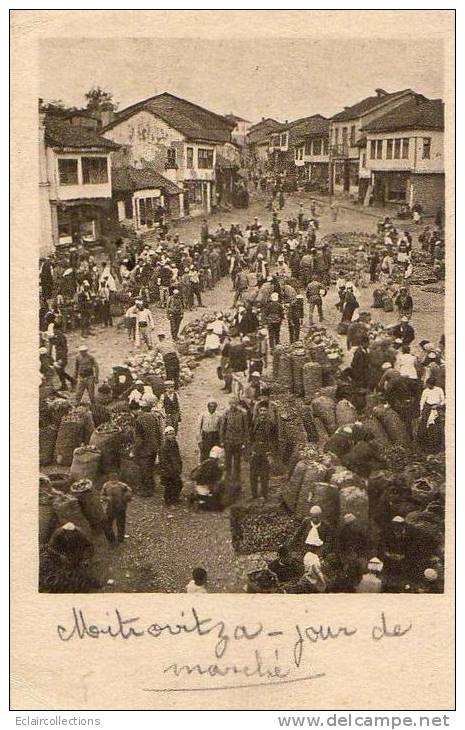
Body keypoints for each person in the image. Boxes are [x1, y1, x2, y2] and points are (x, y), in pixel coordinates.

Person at [133, 401, 163, 496]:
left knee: (144, 468)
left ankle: (147, 490)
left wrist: (134, 450)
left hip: (145, 449)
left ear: (141, 408)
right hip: (154, 447)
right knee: (150, 467)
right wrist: (159, 445)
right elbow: (159, 432)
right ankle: (152, 486)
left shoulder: (139, 419)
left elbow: (139, 439)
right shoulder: (154, 417)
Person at [220, 397, 249, 483]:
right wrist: (222, 440)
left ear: (238, 404)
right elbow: (222, 427)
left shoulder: (243, 414)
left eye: (235, 404)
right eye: (232, 403)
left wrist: (244, 441)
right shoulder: (226, 413)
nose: (233, 405)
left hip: (238, 441)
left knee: (237, 461)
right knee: (228, 461)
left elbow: (246, 429)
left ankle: (236, 479)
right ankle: (227, 478)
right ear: (229, 404)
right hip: (228, 441)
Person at [249, 402, 274, 499]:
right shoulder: (255, 422)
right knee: (253, 474)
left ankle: (264, 495)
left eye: (265, 410)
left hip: (265, 451)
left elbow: (272, 439)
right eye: (261, 410)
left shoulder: (271, 424)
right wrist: (251, 450)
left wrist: (270, 453)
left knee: (264, 474)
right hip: (255, 450)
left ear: (267, 412)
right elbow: (250, 436)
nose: (263, 412)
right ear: (258, 411)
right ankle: (254, 494)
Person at [190, 445, 225, 511]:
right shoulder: (214, 465)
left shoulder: (206, 461)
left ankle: (198, 498)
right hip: (206, 487)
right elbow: (215, 479)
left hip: (200, 486)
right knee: (215, 504)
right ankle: (200, 502)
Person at [101, 472, 132, 543]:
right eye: (112, 481)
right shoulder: (105, 486)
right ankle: (111, 539)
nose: (114, 483)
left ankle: (120, 539)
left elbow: (129, 491)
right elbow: (102, 496)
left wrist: (127, 496)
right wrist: (106, 498)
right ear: (109, 480)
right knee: (108, 523)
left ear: (117, 480)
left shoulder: (122, 486)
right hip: (110, 508)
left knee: (121, 523)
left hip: (120, 507)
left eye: (115, 481)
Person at [159, 425, 183, 506]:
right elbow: (163, 461)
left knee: (178, 484)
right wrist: (170, 469)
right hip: (167, 470)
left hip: (175, 468)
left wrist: (179, 466)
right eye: (169, 434)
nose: (171, 436)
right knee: (169, 486)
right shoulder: (164, 447)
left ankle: (175, 498)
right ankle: (168, 500)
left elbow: (178, 455)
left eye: (173, 434)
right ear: (166, 435)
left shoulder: (175, 444)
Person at [50, 324, 75, 391]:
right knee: (60, 371)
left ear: (57, 329)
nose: (53, 331)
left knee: (60, 371)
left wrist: (62, 358)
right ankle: (67, 383)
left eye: (54, 330)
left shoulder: (61, 336)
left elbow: (64, 348)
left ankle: (70, 382)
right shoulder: (58, 336)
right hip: (59, 356)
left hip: (61, 357)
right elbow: (55, 342)